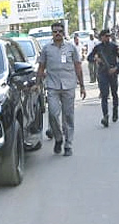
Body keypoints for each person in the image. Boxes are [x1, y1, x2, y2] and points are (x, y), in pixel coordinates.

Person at [36, 21, 86, 156]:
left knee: (68, 116)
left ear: (63, 33)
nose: (57, 33)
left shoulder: (71, 48)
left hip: (69, 86)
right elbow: (41, 67)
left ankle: (68, 144)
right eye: (55, 31)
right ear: (52, 34)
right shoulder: (46, 49)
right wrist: (37, 83)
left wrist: (82, 86)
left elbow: (78, 67)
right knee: (52, 113)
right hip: (52, 86)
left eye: (59, 31)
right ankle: (58, 138)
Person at [88, 28, 119, 128]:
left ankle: (115, 111)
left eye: (109, 36)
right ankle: (105, 116)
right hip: (102, 73)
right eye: (106, 36)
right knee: (104, 95)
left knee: (114, 93)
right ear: (101, 37)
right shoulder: (97, 47)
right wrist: (96, 58)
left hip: (112, 72)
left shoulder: (114, 46)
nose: (108, 38)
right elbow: (89, 57)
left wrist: (116, 68)